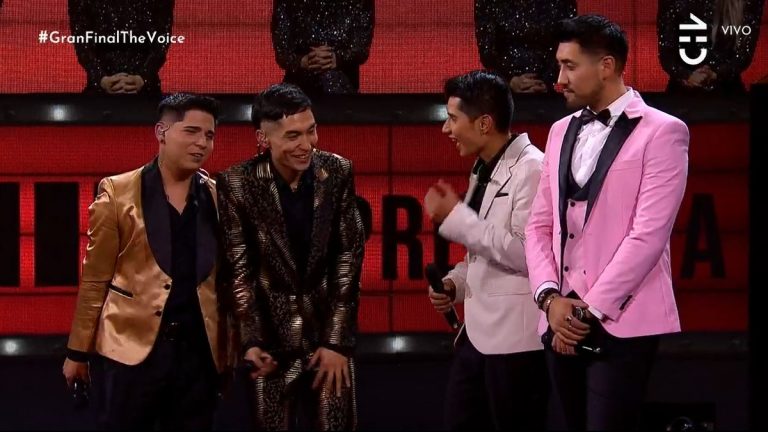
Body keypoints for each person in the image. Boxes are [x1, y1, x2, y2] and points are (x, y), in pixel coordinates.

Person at [525, 15, 690, 430]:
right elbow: (539, 225)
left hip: (622, 321)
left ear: (607, 66)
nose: (558, 79)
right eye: (558, 65)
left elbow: (648, 236)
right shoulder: (559, 131)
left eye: (569, 66)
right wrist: (550, 299)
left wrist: (588, 312)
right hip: (559, 317)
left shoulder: (664, 132)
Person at [62, 93, 229, 429]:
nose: (202, 143)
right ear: (161, 132)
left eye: (209, 135)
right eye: (191, 131)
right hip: (131, 353)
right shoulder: (118, 193)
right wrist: (77, 352)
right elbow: (95, 279)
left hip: (198, 355)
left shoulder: (218, 196)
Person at [216, 83, 365, 430]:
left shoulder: (337, 171)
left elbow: (348, 258)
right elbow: (239, 271)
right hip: (270, 345)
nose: (307, 144)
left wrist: (336, 342)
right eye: (293, 135)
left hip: (327, 341)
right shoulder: (237, 184)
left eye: (311, 130)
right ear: (263, 139)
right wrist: (251, 341)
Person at [424, 70, 546, 431]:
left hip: (517, 344)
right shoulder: (482, 168)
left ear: (484, 123)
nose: (446, 129)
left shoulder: (533, 169)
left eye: (452, 118)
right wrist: (455, 284)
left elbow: (527, 254)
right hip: (476, 339)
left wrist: (456, 218)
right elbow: (481, 253)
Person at [68, 0, 174, 95]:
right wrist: (101, 79)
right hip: (99, 92)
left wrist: (143, 78)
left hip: (146, 92)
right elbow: (82, 43)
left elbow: (161, 40)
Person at [658, 0, 764, 93]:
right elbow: (667, 53)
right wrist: (686, 75)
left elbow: (743, 54)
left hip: (727, 94)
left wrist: (716, 74)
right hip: (680, 94)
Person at [271, 0, 374, 96]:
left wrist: (336, 58)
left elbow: (360, 48)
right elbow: (283, 52)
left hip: (344, 92)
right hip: (298, 92)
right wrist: (303, 61)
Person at [475, 0, 576, 93]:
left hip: (545, 90)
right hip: (506, 92)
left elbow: (568, 43)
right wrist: (510, 80)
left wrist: (544, 81)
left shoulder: (561, 2)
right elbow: (487, 52)